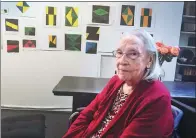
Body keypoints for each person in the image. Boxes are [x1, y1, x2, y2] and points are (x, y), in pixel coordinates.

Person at [62, 29, 174, 138]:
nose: (121, 61)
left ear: (149, 60)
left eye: (133, 54)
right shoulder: (115, 81)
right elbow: (86, 115)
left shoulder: (157, 97)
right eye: (119, 53)